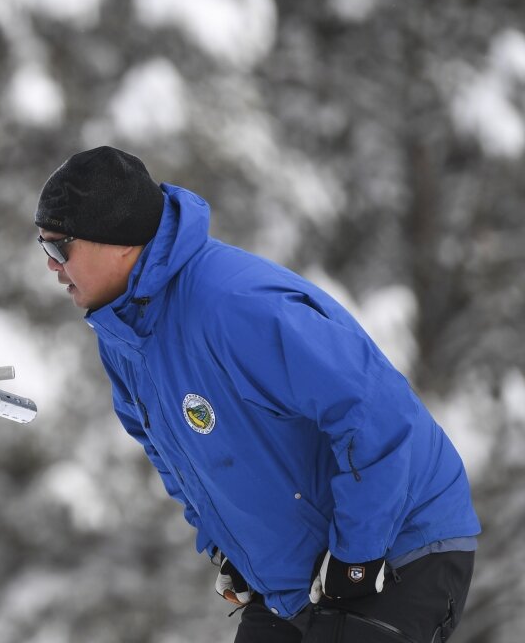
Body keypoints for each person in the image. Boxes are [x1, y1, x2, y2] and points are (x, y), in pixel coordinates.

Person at [34, 146, 479, 642]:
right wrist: (229, 544)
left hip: (399, 546)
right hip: (300, 574)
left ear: (118, 241)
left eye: (59, 248)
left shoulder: (234, 306)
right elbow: (173, 455)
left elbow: (376, 412)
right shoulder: (123, 336)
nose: (51, 266)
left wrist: (357, 554)